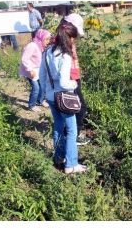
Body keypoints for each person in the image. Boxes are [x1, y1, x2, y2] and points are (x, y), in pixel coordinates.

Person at [39, 20, 87, 174]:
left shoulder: (47, 51)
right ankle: (71, 165)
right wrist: (74, 84)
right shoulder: (65, 55)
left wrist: (48, 92)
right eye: (73, 37)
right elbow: (65, 82)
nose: (74, 40)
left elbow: (41, 76)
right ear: (69, 38)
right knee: (72, 130)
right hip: (64, 97)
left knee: (58, 127)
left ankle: (59, 157)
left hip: (51, 97)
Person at [64, 13, 90, 146]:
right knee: (79, 107)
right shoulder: (64, 43)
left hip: (74, 78)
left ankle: (71, 132)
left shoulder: (69, 40)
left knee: (75, 107)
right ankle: (75, 135)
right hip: (70, 80)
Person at [19, 29, 51, 112]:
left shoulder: (41, 46)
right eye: (46, 39)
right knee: (36, 88)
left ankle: (40, 101)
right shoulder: (32, 45)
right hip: (31, 71)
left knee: (43, 86)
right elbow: (24, 59)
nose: (48, 41)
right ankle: (31, 105)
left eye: (49, 39)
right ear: (41, 38)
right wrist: (30, 70)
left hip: (38, 70)